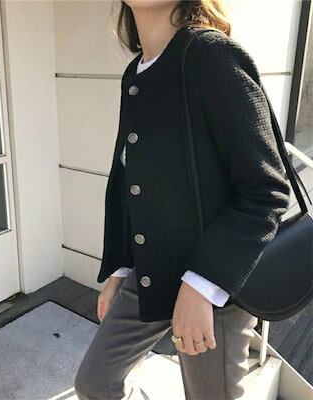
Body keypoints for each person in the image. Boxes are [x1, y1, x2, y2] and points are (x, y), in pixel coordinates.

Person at [74, 1, 291, 399]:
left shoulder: (211, 56)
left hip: (212, 286)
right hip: (151, 268)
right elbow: (135, 184)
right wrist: (121, 267)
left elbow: (266, 190)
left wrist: (201, 285)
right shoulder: (136, 71)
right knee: (94, 383)